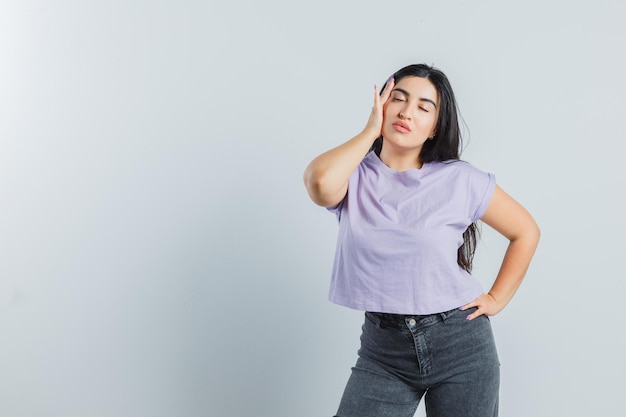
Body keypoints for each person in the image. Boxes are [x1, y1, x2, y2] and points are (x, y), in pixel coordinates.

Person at [303, 63, 540, 417]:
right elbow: (319, 184)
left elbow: (526, 231)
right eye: (397, 99)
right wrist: (370, 132)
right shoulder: (355, 175)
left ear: (434, 128)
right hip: (383, 352)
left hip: (461, 345)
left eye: (423, 107)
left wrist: (495, 298)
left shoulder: (460, 179)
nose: (406, 112)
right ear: (381, 105)